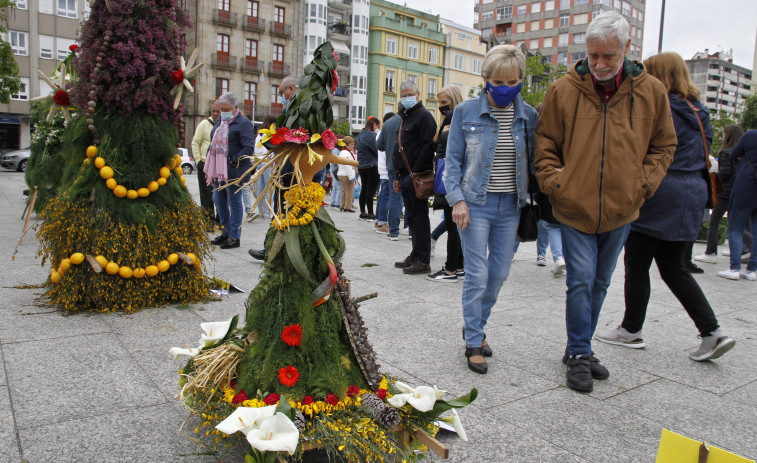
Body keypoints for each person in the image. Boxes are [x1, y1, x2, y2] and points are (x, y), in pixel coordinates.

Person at [535, 11, 677, 392]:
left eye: (608, 56)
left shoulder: (651, 91)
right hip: (574, 205)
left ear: (627, 49)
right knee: (580, 280)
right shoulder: (563, 90)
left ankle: (576, 346)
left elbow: (664, 145)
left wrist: (643, 183)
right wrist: (555, 181)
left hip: (622, 206)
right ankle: (581, 352)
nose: (598, 64)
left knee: (600, 282)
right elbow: (545, 143)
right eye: (593, 55)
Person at [595, 52, 735, 362]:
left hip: (661, 193)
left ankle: (631, 330)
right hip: (692, 194)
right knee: (674, 267)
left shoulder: (663, 106)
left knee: (637, 263)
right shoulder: (699, 112)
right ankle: (711, 331)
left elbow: (641, 147)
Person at [445, 45, 538, 373]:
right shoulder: (466, 112)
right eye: (497, 81)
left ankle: (477, 326)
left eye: (511, 81)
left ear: (520, 79)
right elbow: (453, 161)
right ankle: (473, 340)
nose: (504, 87)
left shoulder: (529, 116)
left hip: (512, 206)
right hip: (475, 204)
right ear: (485, 79)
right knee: (477, 273)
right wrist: (456, 200)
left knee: (498, 273)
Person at [391, 80, 437, 275]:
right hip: (404, 176)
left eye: (410, 94)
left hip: (416, 176)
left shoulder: (424, 117)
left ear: (418, 94)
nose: (407, 98)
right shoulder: (405, 117)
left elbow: (428, 147)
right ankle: (415, 254)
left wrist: (415, 173)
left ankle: (424, 259)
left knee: (419, 217)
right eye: (404, 96)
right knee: (411, 217)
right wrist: (398, 175)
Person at [205, 91, 256, 249]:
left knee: (234, 201)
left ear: (236, 107)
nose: (223, 112)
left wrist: (235, 158)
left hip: (235, 170)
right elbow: (213, 141)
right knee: (218, 200)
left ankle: (234, 236)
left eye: (226, 108)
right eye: (221, 108)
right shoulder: (220, 120)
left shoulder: (244, 123)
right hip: (219, 170)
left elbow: (248, 147)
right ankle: (225, 231)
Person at [695, 125, 750, 263]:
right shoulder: (742, 152)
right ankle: (744, 248)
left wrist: (714, 176)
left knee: (714, 221)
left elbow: (725, 173)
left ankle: (710, 252)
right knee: (736, 221)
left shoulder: (726, 152)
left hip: (725, 191)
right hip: (738, 190)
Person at [427, 85, 465, 283]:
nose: (441, 106)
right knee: (454, 224)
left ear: (454, 100)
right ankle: (458, 266)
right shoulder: (450, 121)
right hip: (447, 174)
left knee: (453, 225)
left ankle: (450, 270)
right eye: (439, 102)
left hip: (450, 176)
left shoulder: (457, 121)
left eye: (444, 102)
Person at [718, 129, 757, 281]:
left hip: (746, 186)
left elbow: (734, 155)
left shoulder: (751, 135)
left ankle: (734, 267)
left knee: (736, 227)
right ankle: (752, 269)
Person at [376, 112, 404, 240]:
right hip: (413, 166)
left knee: (394, 197)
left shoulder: (388, 123)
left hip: (393, 165)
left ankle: (394, 231)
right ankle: (411, 229)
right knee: (412, 198)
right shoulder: (417, 119)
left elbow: (379, 146)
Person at [191, 100, 220, 222]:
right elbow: (195, 142)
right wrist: (198, 160)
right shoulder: (204, 124)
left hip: (219, 165)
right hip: (204, 163)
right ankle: (208, 219)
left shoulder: (225, 124)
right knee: (205, 194)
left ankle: (220, 219)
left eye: (217, 111)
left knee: (220, 193)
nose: (215, 113)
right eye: (213, 111)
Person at [356, 117, 381, 220]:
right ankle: (371, 213)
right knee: (371, 190)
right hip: (372, 165)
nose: (378, 128)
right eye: (378, 126)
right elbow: (377, 150)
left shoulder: (360, 135)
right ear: (374, 124)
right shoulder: (371, 136)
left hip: (362, 165)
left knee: (364, 189)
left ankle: (362, 212)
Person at [253, 115, 277, 219]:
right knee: (268, 189)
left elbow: (256, 149)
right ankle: (267, 211)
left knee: (261, 188)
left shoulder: (259, 135)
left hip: (260, 162)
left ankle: (261, 210)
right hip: (268, 163)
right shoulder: (269, 135)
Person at [374, 113, 394, 234]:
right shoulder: (387, 133)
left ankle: (378, 221)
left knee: (383, 196)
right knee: (386, 196)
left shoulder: (381, 134)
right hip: (387, 169)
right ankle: (382, 222)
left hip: (383, 168)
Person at [337, 136, 357, 212]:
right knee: (349, 191)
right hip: (346, 174)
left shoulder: (342, 152)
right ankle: (347, 206)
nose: (353, 146)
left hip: (341, 173)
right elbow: (347, 165)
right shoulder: (346, 153)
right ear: (347, 145)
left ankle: (342, 205)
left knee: (344, 190)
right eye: (351, 144)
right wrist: (352, 176)